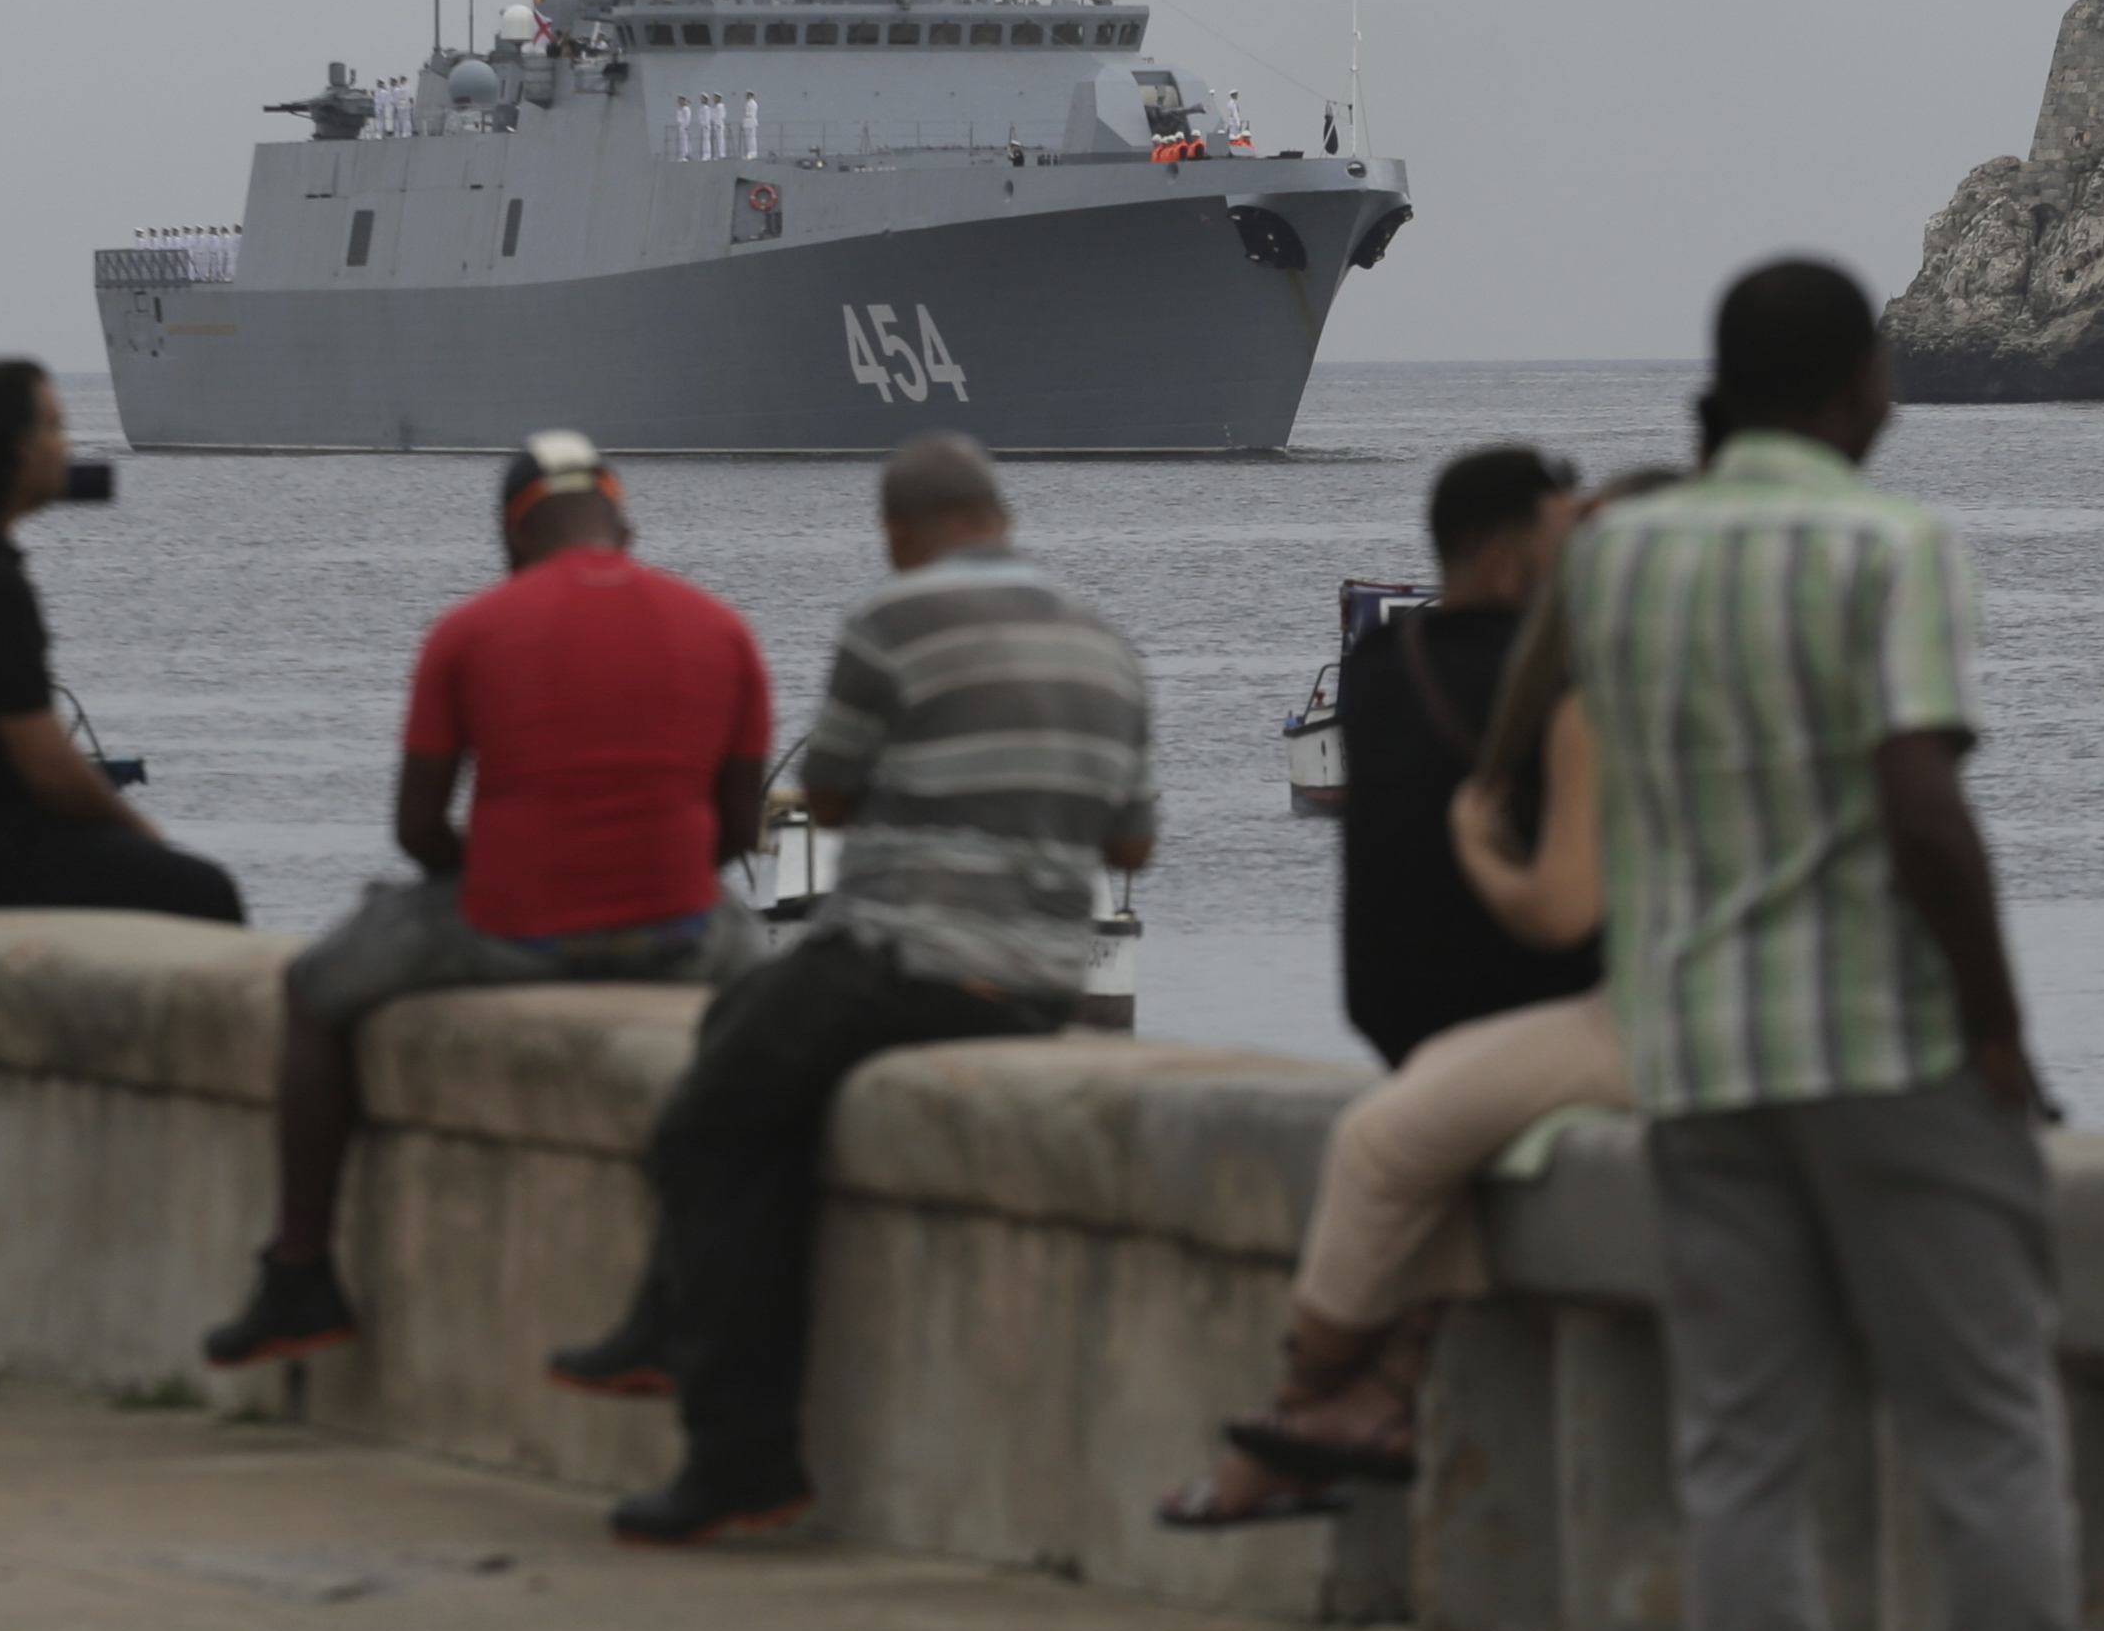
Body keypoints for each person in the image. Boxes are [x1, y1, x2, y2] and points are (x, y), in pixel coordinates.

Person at [1558, 258, 2104, 1631]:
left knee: (1739, 1469)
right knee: (1986, 1444)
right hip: (1883, 1051)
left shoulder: (1613, 555)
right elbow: (1920, 807)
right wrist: (1994, 1022)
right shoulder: (1884, 547)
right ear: (1852, 384)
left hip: (1697, 1057)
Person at [552, 431, 1153, 1546]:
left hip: (909, 959)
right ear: (1000, 516)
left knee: (705, 1126)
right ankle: (653, 1321)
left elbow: (822, 799)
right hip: (1038, 978)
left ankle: (740, 1454)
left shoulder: (893, 619)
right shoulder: (1105, 641)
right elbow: (1134, 837)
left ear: (897, 532)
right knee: (739, 1023)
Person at [198, 431, 774, 1370]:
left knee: (312, 986)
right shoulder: (723, 629)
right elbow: (739, 833)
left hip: (514, 929)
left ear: (510, 539)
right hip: (679, 930)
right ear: (623, 520)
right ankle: (684, 1289)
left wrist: (510, 865)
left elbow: (418, 829)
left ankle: (299, 1267)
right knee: (763, 1002)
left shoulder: (468, 631)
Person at [1163, 446, 1615, 1531]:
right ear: (1512, 556)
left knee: (1398, 1149)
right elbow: (1563, 909)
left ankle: (1306, 1414)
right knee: (1401, 1151)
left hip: (1410, 1007)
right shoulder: (1560, 683)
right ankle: (1336, 1409)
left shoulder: (1377, 675)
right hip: (1542, 994)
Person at [0, 358, 242, 924]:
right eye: (53, 427)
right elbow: (47, 767)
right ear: (20, 450)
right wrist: (142, 833)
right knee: (203, 892)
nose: (65, 445)